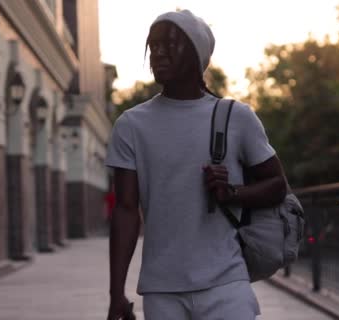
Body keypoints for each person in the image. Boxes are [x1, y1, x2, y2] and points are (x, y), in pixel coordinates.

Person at [105, 9, 288, 320]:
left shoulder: (236, 117)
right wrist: (116, 293)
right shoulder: (131, 125)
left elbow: (277, 186)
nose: (158, 53)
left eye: (169, 44)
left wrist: (232, 193)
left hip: (226, 284)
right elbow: (125, 209)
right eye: (154, 46)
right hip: (162, 290)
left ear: (196, 52)